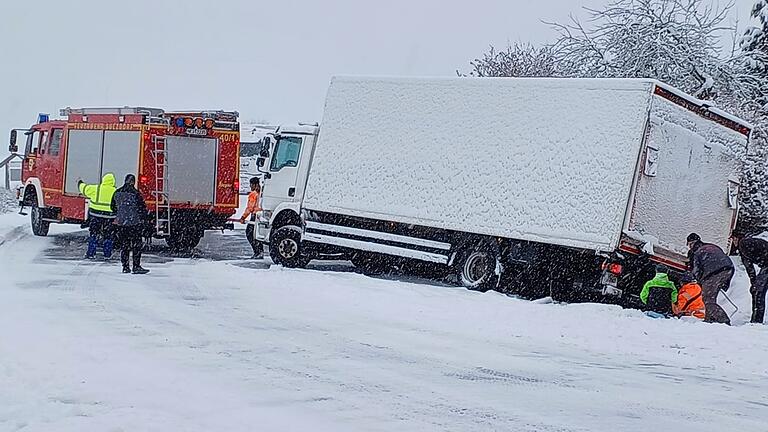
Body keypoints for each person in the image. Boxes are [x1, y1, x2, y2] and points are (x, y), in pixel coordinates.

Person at [687, 233, 733, 325]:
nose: (689, 247)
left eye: (689, 245)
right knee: (710, 297)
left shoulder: (698, 252)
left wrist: (699, 282)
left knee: (707, 298)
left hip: (715, 272)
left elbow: (696, 271)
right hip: (728, 269)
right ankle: (709, 319)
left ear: (692, 243)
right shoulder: (711, 246)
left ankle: (723, 319)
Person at [111, 174, 149, 274]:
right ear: (133, 182)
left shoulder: (117, 192)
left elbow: (113, 207)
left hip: (122, 224)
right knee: (136, 245)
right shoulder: (136, 193)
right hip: (134, 223)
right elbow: (142, 209)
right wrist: (144, 220)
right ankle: (136, 266)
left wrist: (120, 215)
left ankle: (125, 267)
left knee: (125, 246)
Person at [732, 229, 768, 324]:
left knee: (758, 292)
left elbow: (749, 268)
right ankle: (756, 319)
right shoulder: (748, 242)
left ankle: (757, 320)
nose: (733, 242)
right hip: (766, 265)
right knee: (758, 291)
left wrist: (754, 284)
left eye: (733, 239)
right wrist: (754, 283)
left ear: (736, 238)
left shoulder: (743, 244)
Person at [78, 173, 117, 259]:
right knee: (108, 235)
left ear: (103, 180)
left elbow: (84, 189)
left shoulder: (96, 188)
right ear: (113, 182)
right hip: (109, 217)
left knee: (93, 234)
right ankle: (107, 254)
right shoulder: (115, 191)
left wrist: (80, 183)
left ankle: (91, 253)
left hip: (95, 215)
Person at [240, 177, 263, 259]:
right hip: (261, 216)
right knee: (257, 234)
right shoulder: (262, 192)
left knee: (250, 234)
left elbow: (250, 208)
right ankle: (260, 251)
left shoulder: (253, 194)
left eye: (251, 184)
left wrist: (243, 217)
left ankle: (258, 252)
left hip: (255, 216)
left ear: (255, 184)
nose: (250, 186)